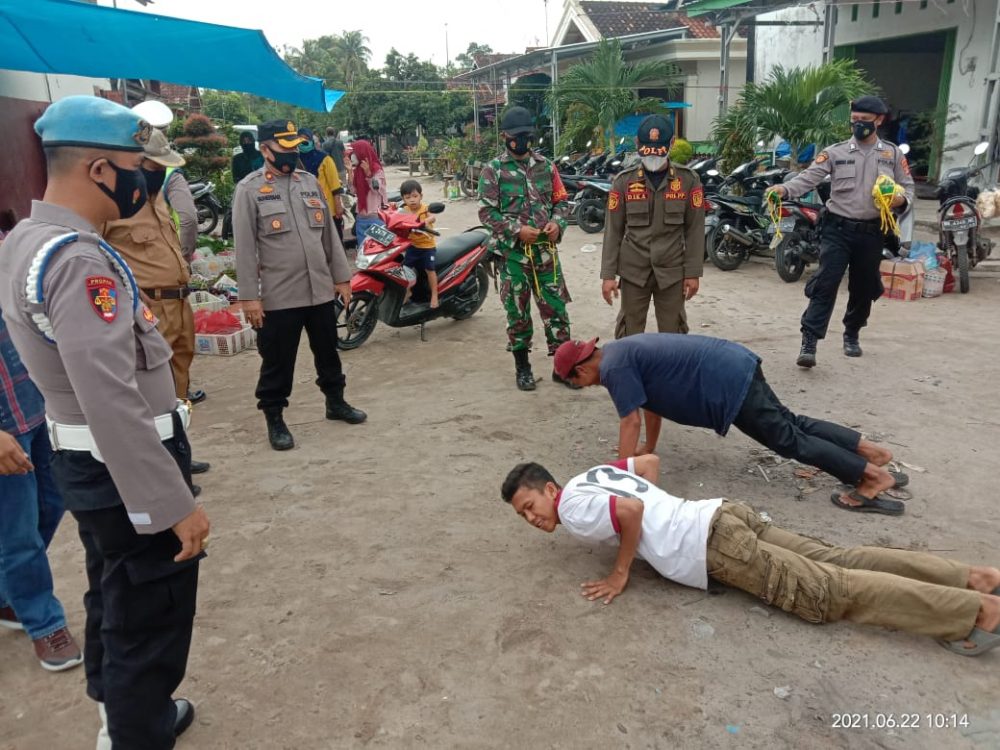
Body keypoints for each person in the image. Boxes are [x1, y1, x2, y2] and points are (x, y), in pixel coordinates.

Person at [0, 95, 208, 748]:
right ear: (99, 170)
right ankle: (137, 731)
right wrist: (172, 503)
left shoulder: (30, 241)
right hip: (123, 466)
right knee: (150, 612)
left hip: (93, 464)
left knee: (113, 593)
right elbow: (109, 396)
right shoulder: (78, 260)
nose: (145, 180)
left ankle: (120, 717)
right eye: (137, 165)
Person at [501, 457, 1000, 656]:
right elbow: (645, 464)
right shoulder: (588, 475)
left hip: (713, 544)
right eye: (524, 516)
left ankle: (974, 614)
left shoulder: (574, 510)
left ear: (549, 489)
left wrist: (620, 570)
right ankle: (972, 577)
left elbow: (628, 511)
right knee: (837, 556)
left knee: (832, 591)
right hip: (722, 514)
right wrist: (665, 512)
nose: (534, 518)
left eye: (530, 506)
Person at [554, 333, 909, 516]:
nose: (581, 386)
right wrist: (649, 449)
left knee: (787, 439)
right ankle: (871, 452)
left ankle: (872, 477)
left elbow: (629, 420)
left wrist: (622, 476)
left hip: (727, 381)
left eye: (576, 382)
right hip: (731, 362)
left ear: (581, 370)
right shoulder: (619, 354)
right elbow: (649, 408)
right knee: (791, 422)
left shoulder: (613, 370)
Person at [233, 119, 366, 451]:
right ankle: (275, 417)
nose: (291, 154)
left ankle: (336, 402)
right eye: (284, 148)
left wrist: (341, 277)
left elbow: (329, 238)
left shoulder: (308, 182)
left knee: (328, 351)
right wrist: (249, 297)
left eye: (294, 147)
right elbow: (245, 249)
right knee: (278, 360)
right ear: (265, 150)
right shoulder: (249, 190)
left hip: (319, 289)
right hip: (279, 296)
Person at [766, 96, 914, 367]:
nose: (858, 126)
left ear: (878, 121)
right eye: (854, 120)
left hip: (873, 231)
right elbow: (808, 178)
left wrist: (901, 200)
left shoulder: (892, 154)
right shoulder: (835, 152)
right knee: (826, 282)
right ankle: (809, 340)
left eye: (864, 121)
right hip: (837, 228)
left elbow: (908, 187)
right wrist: (784, 190)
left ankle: (852, 332)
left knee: (864, 286)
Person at [101, 129, 211, 486]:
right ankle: (155, 469)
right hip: (147, 310)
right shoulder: (109, 207)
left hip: (178, 304)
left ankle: (177, 454)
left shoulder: (156, 198)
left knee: (178, 385)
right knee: (150, 389)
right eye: (151, 165)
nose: (158, 172)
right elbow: (94, 255)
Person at [0, 312, 83, 672]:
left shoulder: (10, 270)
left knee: (54, 500)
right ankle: (45, 623)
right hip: (4, 432)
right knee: (18, 534)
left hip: (37, 410)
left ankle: (7, 593)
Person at [478, 106, 573, 391]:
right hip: (513, 257)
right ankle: (523, 368)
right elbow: (486, 213)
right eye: (516, 136)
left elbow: (562, 202)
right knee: (517, 314)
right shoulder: (493, 170)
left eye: (526, 136)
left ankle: (563, 368)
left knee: (556, 311)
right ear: (505, 136)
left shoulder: (547, 166)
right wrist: (517, 230)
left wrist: (557, 223)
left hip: (546, 255)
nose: (522, 141)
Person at [601, 114, 704, 338]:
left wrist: (693, 272)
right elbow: (613, 231)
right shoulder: (623, 182)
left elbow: (695, 229)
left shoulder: (688, 180)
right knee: (629, 331)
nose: (653, 155)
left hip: (671, 270)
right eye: (648, 149)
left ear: (671, 143)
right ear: (638, 145)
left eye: (659, 149)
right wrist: (608, 275)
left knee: (673, 333)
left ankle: (671, 374)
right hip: (633, 270)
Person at [298, 127, 345, 241]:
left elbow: (335, 185)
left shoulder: (324, 158)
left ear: (311, 141)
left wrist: (338, 206)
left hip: (328, 208)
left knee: (334, 241)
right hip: (305, 210)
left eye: (306, 139)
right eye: (300, 140)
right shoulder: (295, 160)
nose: (303, 142)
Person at [398, 179, 439, 308]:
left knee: (429, 269)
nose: (412, 200)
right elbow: (394, 215)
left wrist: (425, 221)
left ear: (421, 196)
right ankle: (407, 291)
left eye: (415, 196)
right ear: (403, 199)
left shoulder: (425, 209)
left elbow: (433, 216)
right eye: (408, 197)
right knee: (404, 269)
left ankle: (434, 295)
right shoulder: (404, 209)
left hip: (427, 247)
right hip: (412, 246)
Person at [350, 139, 387, 245]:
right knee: (363, 251)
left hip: (375, 217)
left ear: (362, 153)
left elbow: (377, 189)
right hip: (361, 218)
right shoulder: (357, 171)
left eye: (355, 152)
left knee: (379, 250)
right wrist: (349, 171)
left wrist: (368, 174)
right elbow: (353, 191)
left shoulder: (377, 170)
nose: (352, 155)